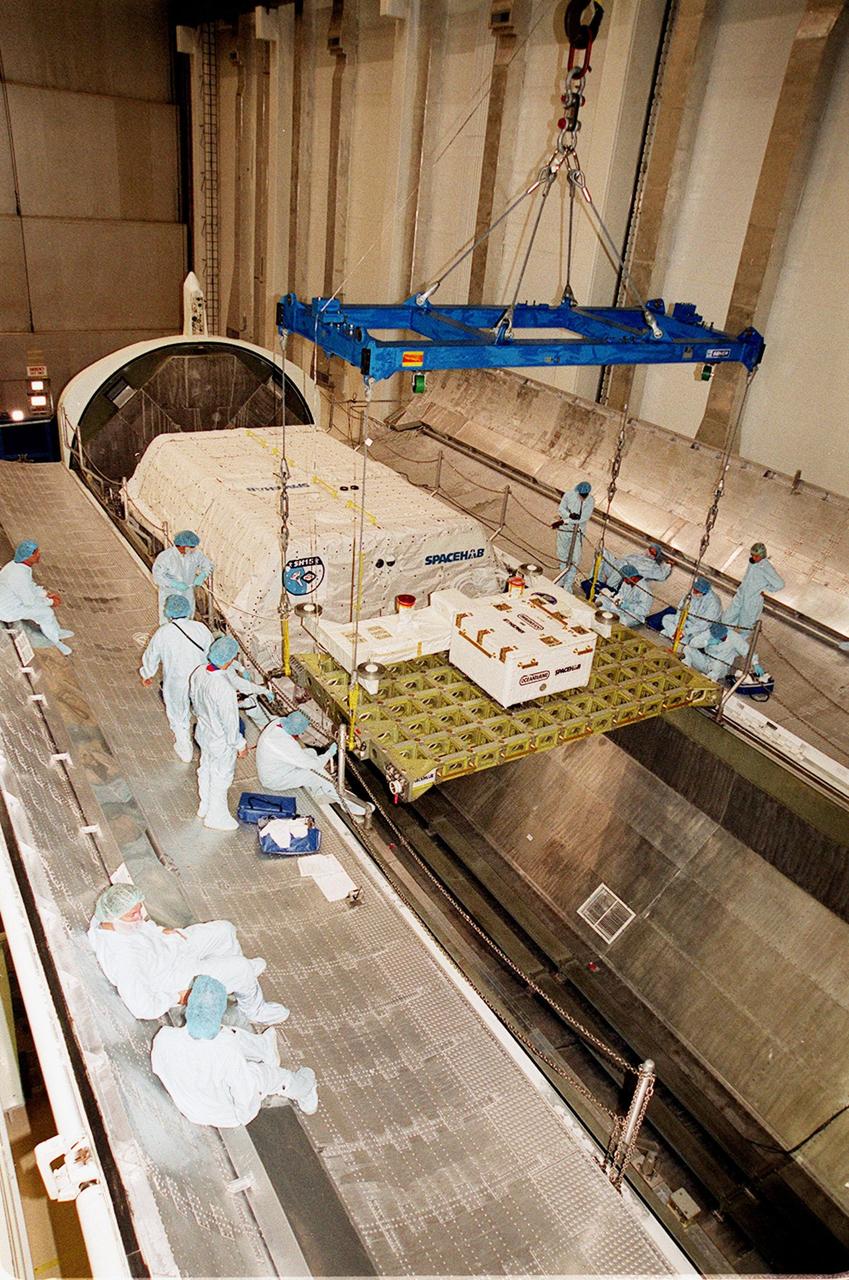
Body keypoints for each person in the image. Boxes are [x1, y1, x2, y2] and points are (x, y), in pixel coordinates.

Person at [88, 884, 289, 1024]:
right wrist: (178, 997)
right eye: (134, 914)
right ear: (115, 917)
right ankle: (253, 1009)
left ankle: (235, 974)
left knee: (224, 930)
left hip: (170, 951)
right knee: (241, 969)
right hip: (174, 976)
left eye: (139, 910)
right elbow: (142, 1007)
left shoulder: (110, 923)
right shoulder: (124, 958)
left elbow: (141, 928)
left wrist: (159, 932)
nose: (140, 916)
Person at [151, 975, 317, 1128]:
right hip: (225, 1114)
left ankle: (264, 1047)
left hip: (189, 1107)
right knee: (264, 1074)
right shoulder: (226, 1051)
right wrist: (248, 1112)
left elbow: (159, 1067)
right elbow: (245, 1095)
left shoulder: (165, 1037)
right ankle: (304, 1087)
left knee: (227, 1033)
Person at [140, 594, 213, 762]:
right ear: (187, 610)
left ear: (168, 612)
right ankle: (207, 744)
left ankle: (185, 750)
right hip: (200, 679)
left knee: (178, 714)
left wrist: (147, 674)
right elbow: (211, 653)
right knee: (204, 711)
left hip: (176, 682)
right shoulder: (201, 628)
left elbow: (151, 656)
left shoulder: (163, 633)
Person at [256, 711, 369, 817]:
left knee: (311, 752)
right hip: (274, 780)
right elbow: (313, 765)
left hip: (276, 768)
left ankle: (318, 790)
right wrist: (329, 753)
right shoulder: (285, 744)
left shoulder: (278, 723)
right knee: (319, 774)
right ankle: (350, 806)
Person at [189, 634, 246, 831]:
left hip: (203, 732)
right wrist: (240, 745)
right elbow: (230, 723)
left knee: (205, 768)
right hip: (220, 740)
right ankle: (216, 816)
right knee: (222, 776)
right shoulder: (224, 688)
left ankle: (204, 806)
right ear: (229, 659)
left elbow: (193, 699)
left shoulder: (199, 672)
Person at [0, 540, 73, 654]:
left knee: (45, 612)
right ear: (28, 557)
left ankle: (56, 632)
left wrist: (45, 594)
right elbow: (29, 601)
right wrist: (50, 602)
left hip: (12, 603)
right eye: (36, 553)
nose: (39, 554)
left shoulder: (17, 566)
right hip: (9, 610)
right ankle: (55, 641)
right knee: (45, 613)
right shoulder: (19, 575)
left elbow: (30, 586)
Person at [152, 530, 213, 622]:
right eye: (191, 547)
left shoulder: (195, 554)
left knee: (187, 619)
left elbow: (209, 565)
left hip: (187, 593)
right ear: (183, 546)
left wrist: (203, 575)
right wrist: (174, 583)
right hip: (169, 594)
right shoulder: (165, 557)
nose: (193, 549)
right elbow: (157, 576)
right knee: (167, 621)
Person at [722, 543, 784, 632]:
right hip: (741, 594)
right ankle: (722, 635)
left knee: (745, 625)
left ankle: (739, 643)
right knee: (727, 618)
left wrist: (766, 588)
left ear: (762, 555)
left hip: (752, 600)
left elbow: (780, 584)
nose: (754, 558)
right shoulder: (752, 562)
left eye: (756, 556)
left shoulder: (766, 567)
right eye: (752, 555)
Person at [683, 621, 765, 683]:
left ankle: (707, 683)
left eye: (723, 638)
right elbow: (692, 643)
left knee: (717, 664)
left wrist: (755, 663)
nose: (721, 640)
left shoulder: (734, 637)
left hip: (720, 669)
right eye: (719, 638)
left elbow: (747, 651)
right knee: (687, 649)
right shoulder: (709, 633)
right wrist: (707, 642)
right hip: (706, 662)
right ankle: (684, 670)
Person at [552, 480, 594, 593]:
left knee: (576, 558)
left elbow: (583, 518)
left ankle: (568, 584)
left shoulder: (590, 501)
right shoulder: (569, 495)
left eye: (585, 496)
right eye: (581, 495)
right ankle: (561, 578)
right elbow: (561, 509)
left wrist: (564, 521)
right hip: (565, 531)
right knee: (562, 555)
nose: (583, 498)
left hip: (577, 531)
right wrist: (569, 515)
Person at [660, 576, 721, 644]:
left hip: (700, 629)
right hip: (688, 622)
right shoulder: (692, 593)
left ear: (704, 592)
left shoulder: (713, 603)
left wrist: (685, 632)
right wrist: (678, 625)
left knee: (696, 639)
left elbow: (704, 624)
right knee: (666, 618)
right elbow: (680, 608)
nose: (694, 592)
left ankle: (676, 636)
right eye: (694, 589)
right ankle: (677, 637)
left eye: (697, 591)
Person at [596, 542, 671, 593]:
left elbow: (662, 576)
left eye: (653, 553)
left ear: (654, 557)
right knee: (602, 552)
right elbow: (621, 560)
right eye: (650, 550)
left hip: (622, 580)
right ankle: (596, 581)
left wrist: (668, 565)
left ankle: (608, 588)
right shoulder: (636, 556)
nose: (649, 553)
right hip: (615, 568)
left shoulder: (652, 566)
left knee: (624, 567)